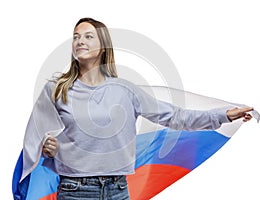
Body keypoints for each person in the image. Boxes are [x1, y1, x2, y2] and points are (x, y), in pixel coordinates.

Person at [40, 17, 253, 200]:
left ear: (103, 45)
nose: (80, 41)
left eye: (88, 36)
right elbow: (37, 137)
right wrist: (45, 147)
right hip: (75, 190)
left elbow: (176, 117)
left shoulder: (126, 91)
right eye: (76, 36)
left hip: (118, 190)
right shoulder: (57, 90)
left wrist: (223, 115)